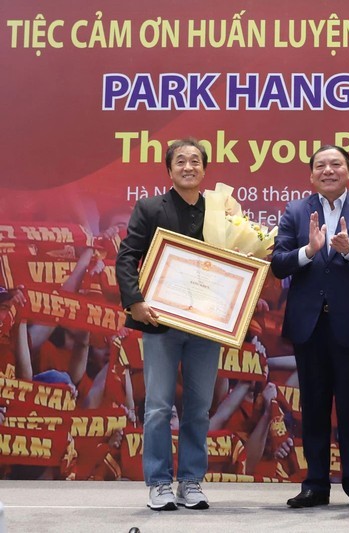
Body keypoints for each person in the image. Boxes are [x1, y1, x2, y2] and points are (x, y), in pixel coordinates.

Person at [271, 144, 349, 510]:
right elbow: (278, 263)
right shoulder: (295, 210)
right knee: (314, 406)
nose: (328, 170)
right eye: (320, 165)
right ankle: (315, 484)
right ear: (311, 175)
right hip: (310, 326)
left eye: (335, 164)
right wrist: (308, 251)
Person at [116, 138, 220, 510]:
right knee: (158, 406)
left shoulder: (218, 212)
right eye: (181, 161)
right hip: (160, 321)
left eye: (195, 161)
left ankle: (191, 482)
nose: (188, 167)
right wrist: (136, 302)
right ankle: (159, 482)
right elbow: (127, 257)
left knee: (197, 407)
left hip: (207, 326)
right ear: (170, 169)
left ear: (205, 169)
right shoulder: (149, 208)